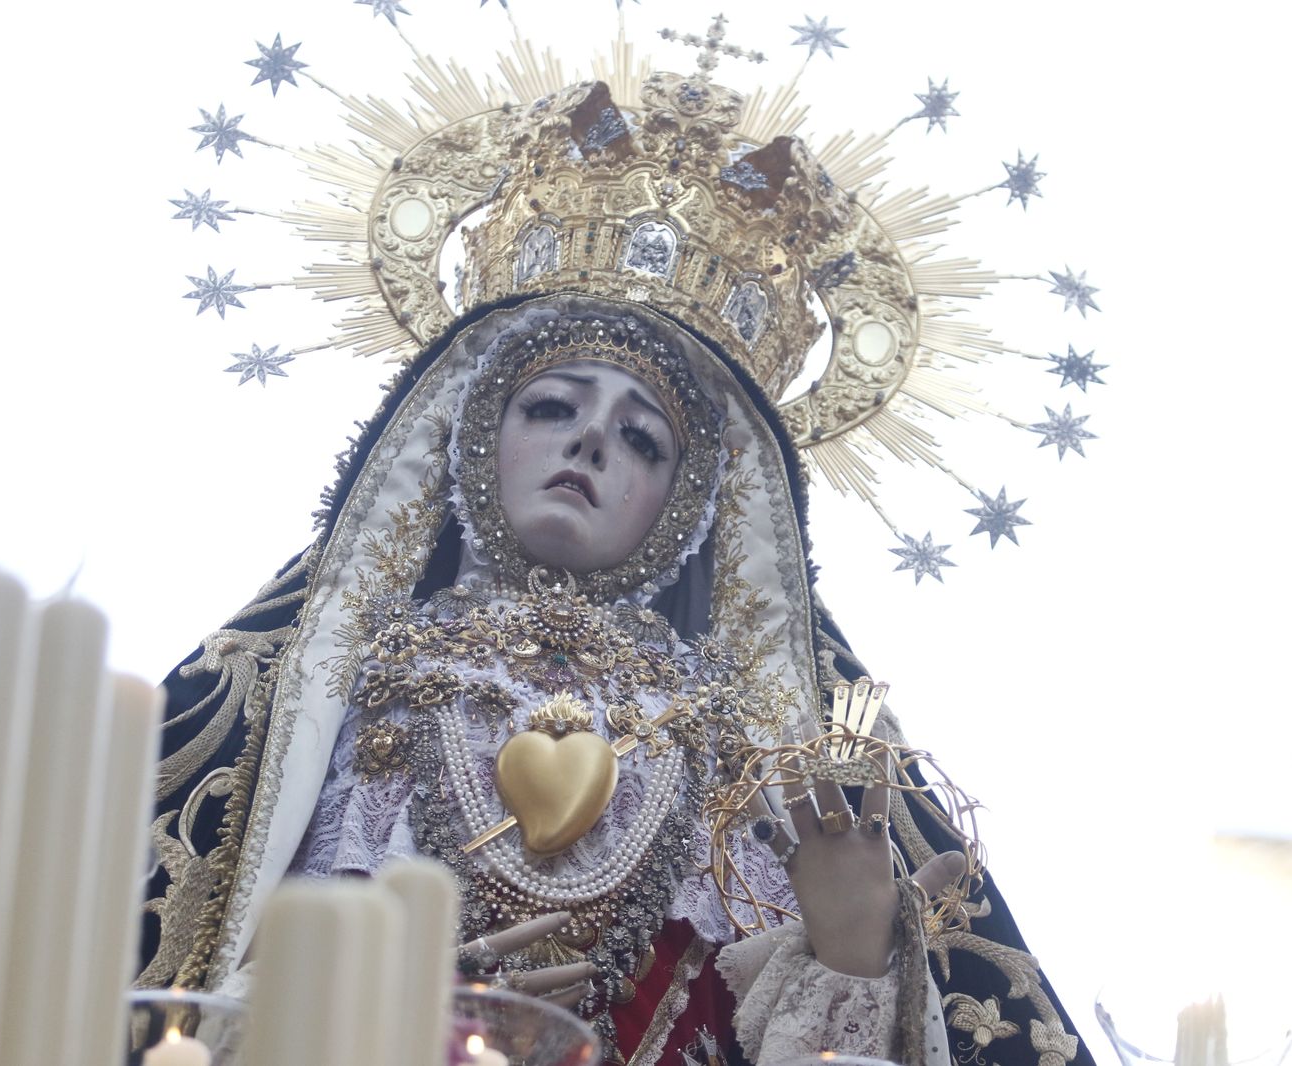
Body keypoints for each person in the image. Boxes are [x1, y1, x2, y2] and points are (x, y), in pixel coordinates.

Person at [137, 60, 1098, 1066]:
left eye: (642, 438)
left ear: (691, 504)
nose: (591, 441)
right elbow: (199, 975)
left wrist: (853, 957)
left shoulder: (744, 751)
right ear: (475, 436)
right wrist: (374, 1006)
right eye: (553, 406)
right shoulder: (338, 684)